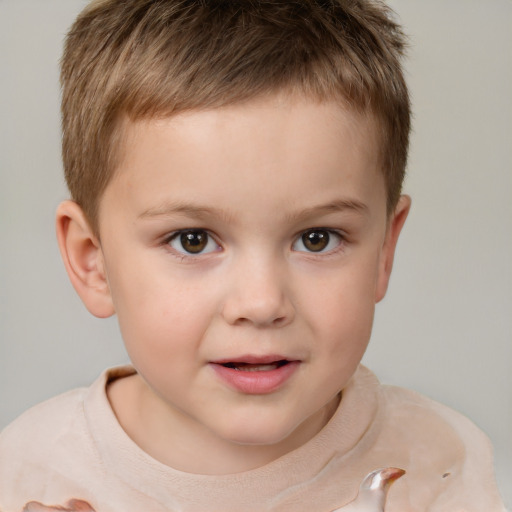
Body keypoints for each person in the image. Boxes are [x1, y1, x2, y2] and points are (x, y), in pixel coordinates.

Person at [0, 0, 506, 510]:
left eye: (317, 238)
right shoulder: (28, 471)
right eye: (192, 240)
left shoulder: (437, 461)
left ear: (383, 250)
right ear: (94, 261)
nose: (262, 303)